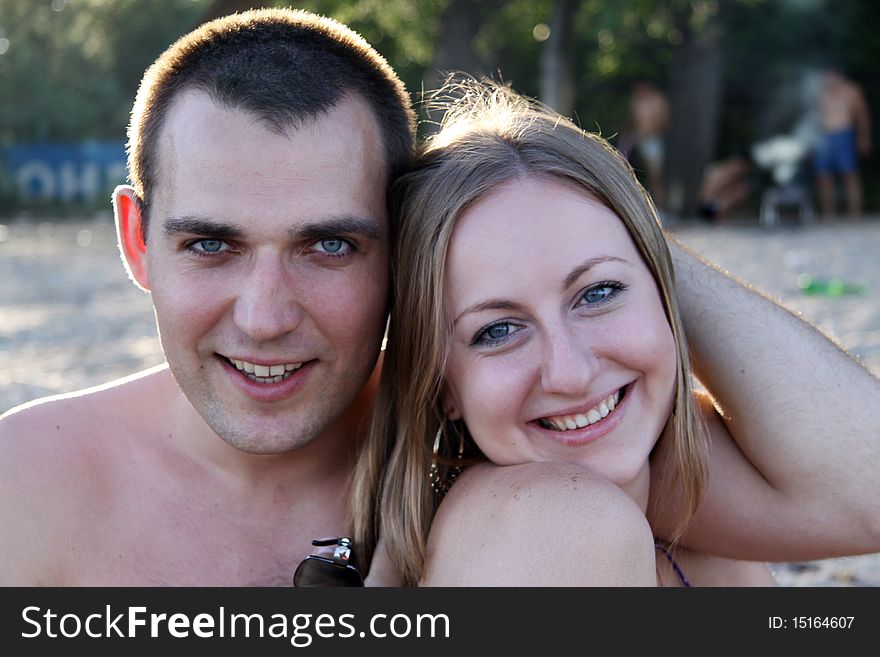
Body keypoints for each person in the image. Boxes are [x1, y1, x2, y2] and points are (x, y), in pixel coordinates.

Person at [354, 79, 880, 586]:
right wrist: (619, 244)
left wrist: (627, 223)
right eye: (498, 330)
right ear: (442, 385)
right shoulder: (554, 527)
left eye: (599, 293)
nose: (572, 373)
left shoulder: (677, 486)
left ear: (662, 287)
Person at [0, 8, 415, 586]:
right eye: (211, 244)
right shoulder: (21, 489)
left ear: (404, 250)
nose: (264, 319)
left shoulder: (494, 474)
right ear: (137, 241)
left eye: (329, 244)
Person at [814, 68, 872, 220]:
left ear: (839, 75)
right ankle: (829, 214)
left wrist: (863, 138)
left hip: (844, 134)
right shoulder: (819, 93)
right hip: (824, 137)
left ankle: (854, 213)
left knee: (849, 173)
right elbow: (812, 118)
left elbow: (862, 116)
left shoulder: (851, 91)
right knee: (823, 176)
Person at [627, 80, 669, 211]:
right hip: (638, 139)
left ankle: (661, 209)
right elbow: (633, 120)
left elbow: (663, 121)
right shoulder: (637, 101)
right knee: (633, 172)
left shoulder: (658, 100)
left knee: (655, 176)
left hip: (652, 140)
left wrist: (650, 131)